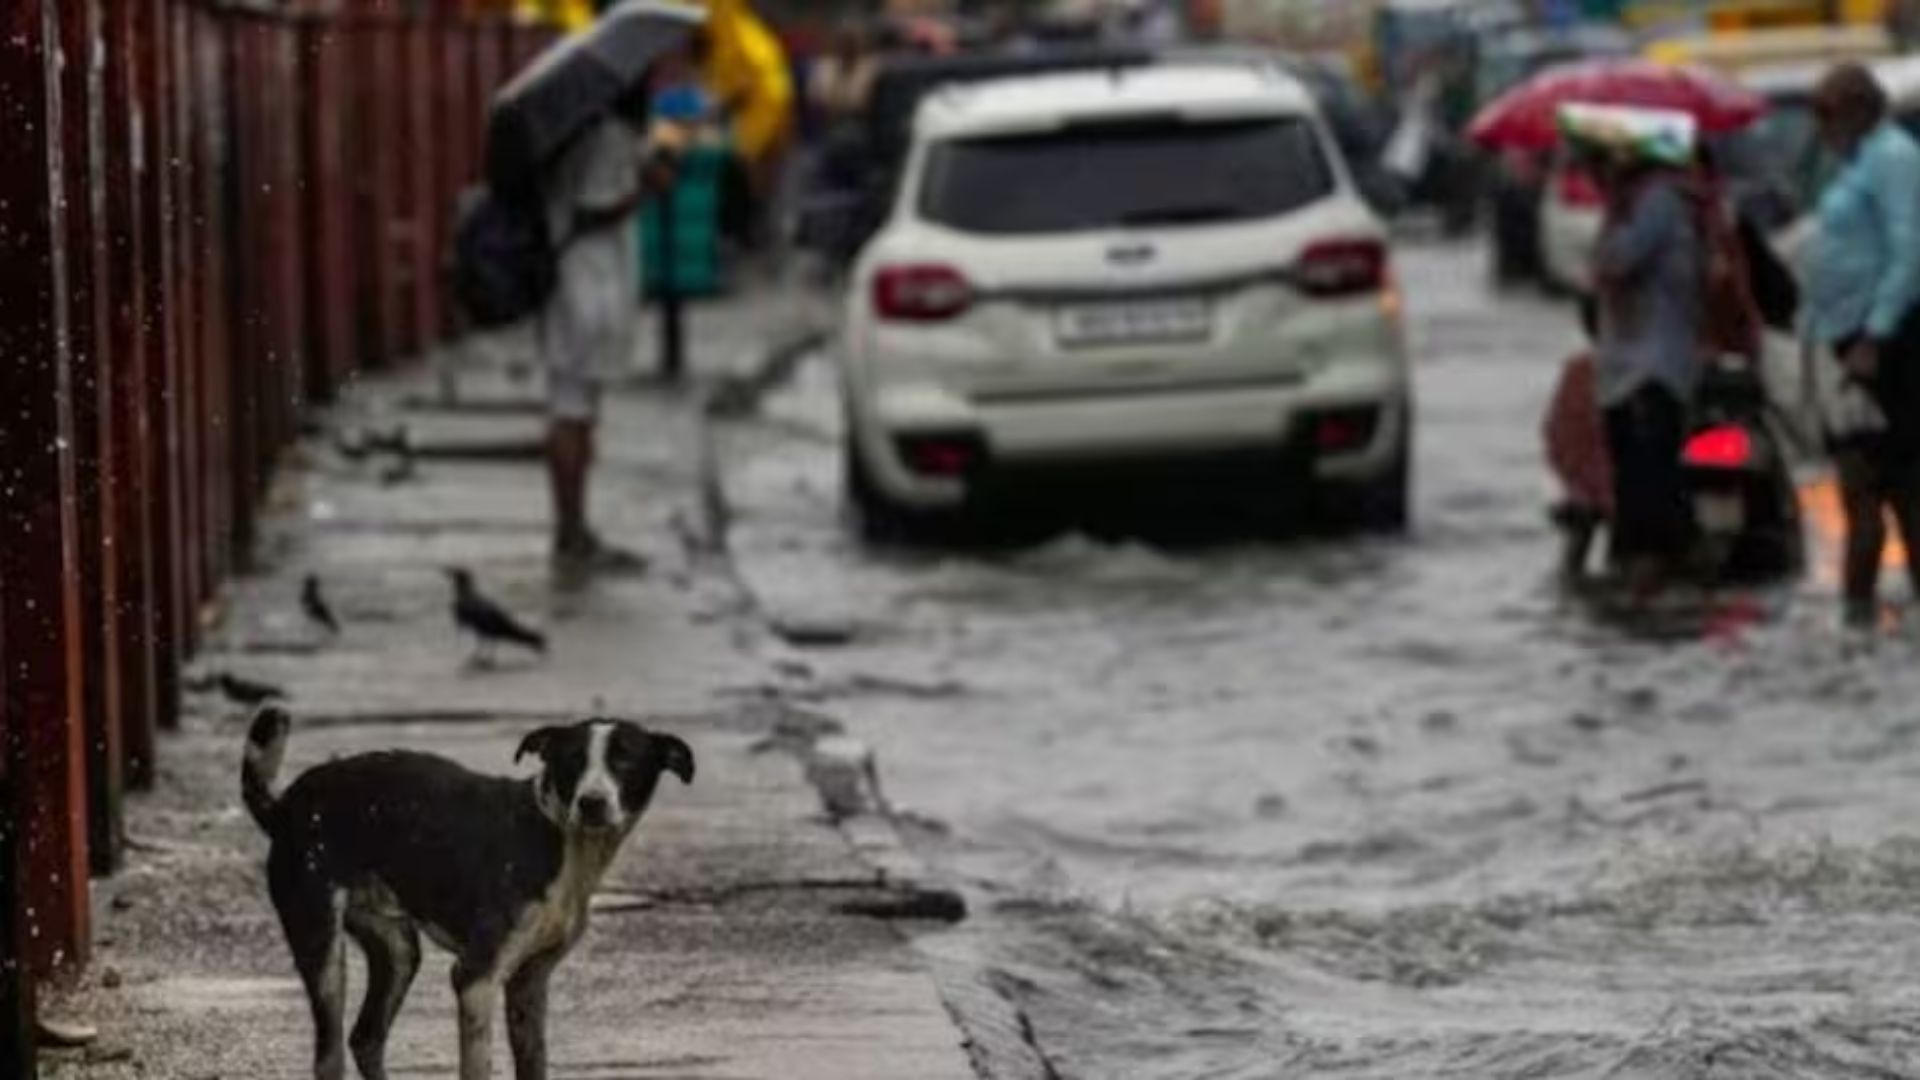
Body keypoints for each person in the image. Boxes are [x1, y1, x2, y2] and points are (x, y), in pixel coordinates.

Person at [539, 85, 682, 579]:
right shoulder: (604, 136)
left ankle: (574, 526)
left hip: (579, 282)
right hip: (589, 285)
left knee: (576, 409)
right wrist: (643, 189)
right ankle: (571, 529)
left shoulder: (582, 130)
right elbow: (592, 206)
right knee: (573, 411)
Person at [1805, 63, 1920, 630]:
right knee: (1880, 482)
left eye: (1824, 114)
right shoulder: (1858, 165)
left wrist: (1876, 333)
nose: (1819, 128)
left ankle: (1859, 618)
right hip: (1851, 339)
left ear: (1856, 109)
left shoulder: (1893, 159)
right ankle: (1861, 617)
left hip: (1888, 345)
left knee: (1878, 480)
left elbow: (1909, 251)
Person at [1586, 125, 1705, 600]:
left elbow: (1614, 260)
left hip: (1650, 367)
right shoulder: (1645, 201)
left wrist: (1612, 212)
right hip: (1629, 365)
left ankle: (1650, 578)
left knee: (1648, 483)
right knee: (1636, 478)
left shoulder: (1658, 201)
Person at [1544, 298, 1613, 582]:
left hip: (1582, 488)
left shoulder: (1577, 370)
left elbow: (1556, 434)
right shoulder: (1643, 373)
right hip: (1597, 490)